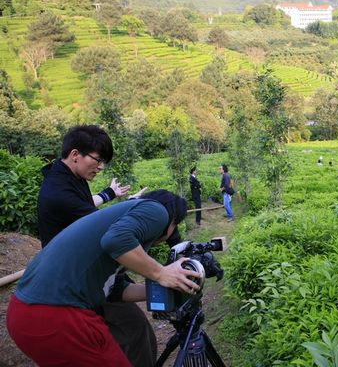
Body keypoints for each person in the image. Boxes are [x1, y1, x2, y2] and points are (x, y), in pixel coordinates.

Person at [6, 190, 202, 367]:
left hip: (22, 315)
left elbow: (115, 290)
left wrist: (164, 287)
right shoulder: (158, 210)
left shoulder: (113, 223)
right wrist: (161, 272)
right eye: (174, 226)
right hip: (58, 315)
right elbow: (115, 240)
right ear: (173, 220)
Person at [36, 124, 157, 367]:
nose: (100, 166)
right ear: (75, 155)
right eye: (98, 160)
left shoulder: (67, 176)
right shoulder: (58, 192)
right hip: (73, 280)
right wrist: (130, 207)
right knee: (133, 328)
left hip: (82, 269)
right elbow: (98, 223)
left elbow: (86, 205)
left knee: (133, 326)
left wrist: (109, 194)